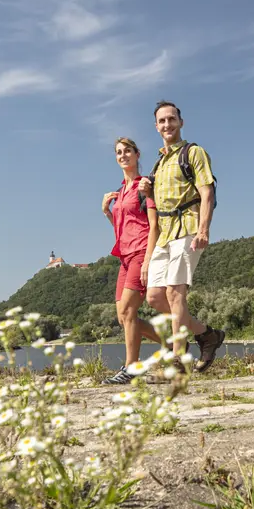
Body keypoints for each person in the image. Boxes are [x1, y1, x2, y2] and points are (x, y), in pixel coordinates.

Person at [140, 100, 226, 373]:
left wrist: (203, 229)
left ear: (181, 122)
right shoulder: (160, 161)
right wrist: (147, 190)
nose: (167, 124)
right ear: (156, 127)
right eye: (162, 121)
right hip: (165, 235)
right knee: (154, 297)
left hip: (188, 228)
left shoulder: (194, 152)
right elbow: (157, 203)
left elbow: (207, 192)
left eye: (171, 119)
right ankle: (206, 335)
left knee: (175, 293)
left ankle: (178, 358)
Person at [100, 137, 163, 385]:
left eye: (127, 151)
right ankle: (173, 342)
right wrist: (107, 211)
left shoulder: (144, 186)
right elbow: (122, 227)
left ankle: (131, 367)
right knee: (123, 316)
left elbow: (154, 224)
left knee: (128, 310)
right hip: (124, 256)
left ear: (137, 154)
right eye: (118, 152)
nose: (123, 155)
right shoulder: (120, 191)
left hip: (141, 251)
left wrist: (148, 260)